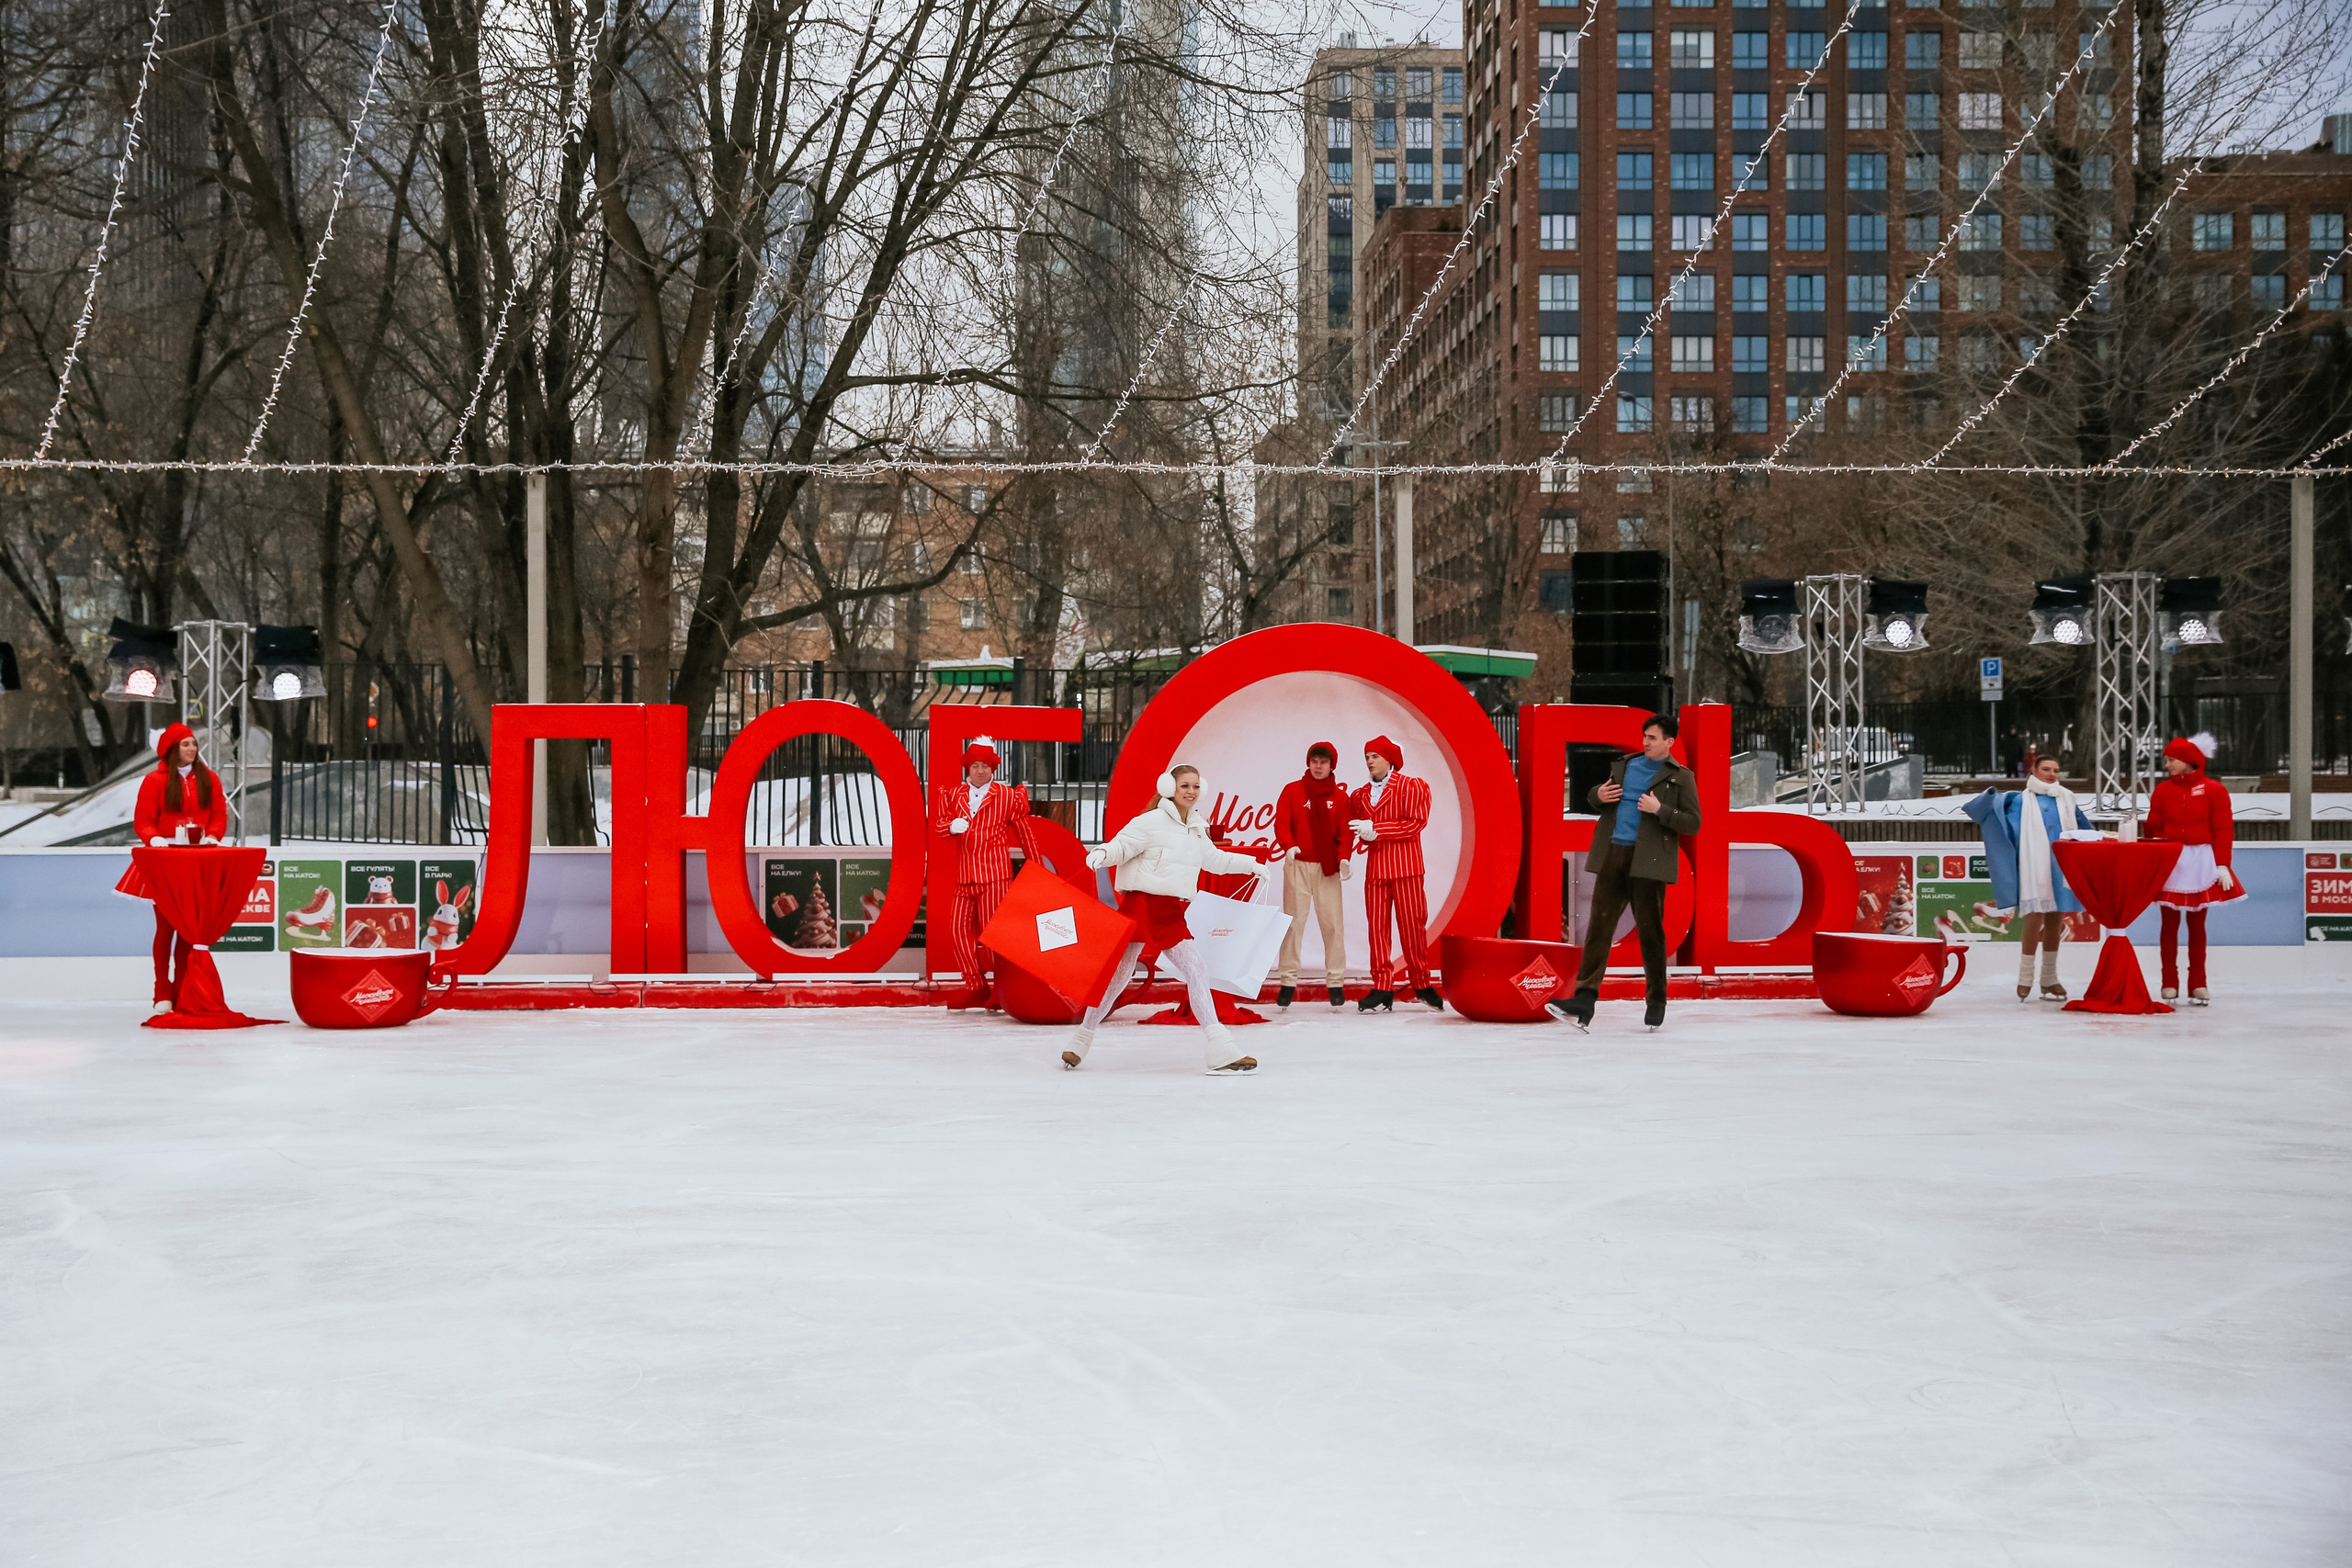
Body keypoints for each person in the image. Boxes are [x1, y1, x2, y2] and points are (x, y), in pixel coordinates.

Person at [1069, 765, 1266, 1072]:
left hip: (1171, 910)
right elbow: (1122, 846)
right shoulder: (1150, 821)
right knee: (1120, 976)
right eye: (1185, 785)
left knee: (1197, 970)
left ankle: (1220, 1047)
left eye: (1196, 786)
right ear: (1168, 787)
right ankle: (1081, 1039)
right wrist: (1101, 854)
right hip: (1142, 904)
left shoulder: (1197, 827)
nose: (1191, 791)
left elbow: (1215, 860)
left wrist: (1251, 865)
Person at [1548, 712, 1702, 1032]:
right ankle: (1585, 998)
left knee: (1650, 932)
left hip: (1648, 861)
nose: (1645, 742)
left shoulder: (1680, 777)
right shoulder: (1625, 765)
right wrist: (1596, 796)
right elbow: (1597, 798)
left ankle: (1656, 1000)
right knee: (1599, 928)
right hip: (1612, 853)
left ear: (1669, 742)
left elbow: (1693, 822)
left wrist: (1660, 810)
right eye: (1644, 736)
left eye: (1653, 738)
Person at [1962, 753, 2098, 1001]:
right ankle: (2025, 978)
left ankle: (2049, 978)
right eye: (2046, 769)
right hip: (2034, 865)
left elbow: (2082, 828)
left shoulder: (2067, 798)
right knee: (2034, 918)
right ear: (2033, 770)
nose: (2052, 774)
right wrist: (1991, 796)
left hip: (2061, 864)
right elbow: (1983, 812)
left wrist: (2098, 840)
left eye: (2056, 770)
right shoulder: (2020, 801)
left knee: (2056, 918)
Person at [114, 723, 227, 1008]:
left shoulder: (209, 778)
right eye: (185, 744)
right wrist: (154, 840)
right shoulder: (155, 781)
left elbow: (219, 813)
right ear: (171, 750)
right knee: (166, 928)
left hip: (198, 860)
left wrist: (213, 835)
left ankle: (185, 986)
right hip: (166, 862)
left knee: (190, 928)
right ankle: (162, 990)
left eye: (193, 744)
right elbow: (142, 821)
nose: (192, 749)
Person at [930, 739, 1041, 1008]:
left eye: (985, 766)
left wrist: (1036, 866)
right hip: (965, 876)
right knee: (957, 930)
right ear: (968, 768)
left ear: (992, 769)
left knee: (995, 935)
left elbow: (1024, 832)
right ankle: (975, 985)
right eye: (975, 765)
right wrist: (951, 828)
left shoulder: (1006, 796)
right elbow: (940, 826)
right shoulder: (954, 796)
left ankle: (1001, 989)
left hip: (995, 876)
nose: (980, 770)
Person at [2143, 732, 2244, 1005]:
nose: (2167, 765)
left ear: (2187, 761)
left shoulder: (2214, 790)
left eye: (2171, 760)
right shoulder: (2163, 791)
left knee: (2197, 925)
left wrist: (2222, 865)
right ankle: (2169, 983)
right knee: (2168, 924)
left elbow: (2223, 830)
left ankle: (2198, 982)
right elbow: (2153, 828)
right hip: (2171, 858)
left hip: (2201, 860)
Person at [1349, 735, 1442, 1012]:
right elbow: (1364, 834)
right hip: (1376, 870)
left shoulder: (1412, 787)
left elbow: (1415, 824)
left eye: (1374, 756)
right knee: (1377, 930)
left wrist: (1377, 830)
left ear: (1389, 760)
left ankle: (1421, 983)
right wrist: (1366, 834)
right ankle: (1381, 987)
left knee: (1412, 928)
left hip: (1406, 868)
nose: (1369, 761)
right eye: (1367, 756)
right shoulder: (1361, 795)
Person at [1271, 741, 1358, 1010]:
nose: (1318, 767)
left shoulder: (1340, 798)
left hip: (1327, 868)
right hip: (1298, 864)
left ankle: (1335, 981)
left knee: (1332, 925)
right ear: (1308, 763)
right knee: (1293, 924)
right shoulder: (1293, 791)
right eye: (1314, 761)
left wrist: (1344, 857)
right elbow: (1282, 822)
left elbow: (1345, 831)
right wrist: (1288, 845)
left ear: (1332, 766)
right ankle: (1287, 980)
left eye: (1324, 762)